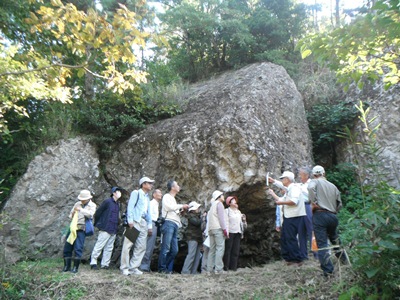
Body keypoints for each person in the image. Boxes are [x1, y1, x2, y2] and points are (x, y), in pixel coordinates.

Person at [308, 165, 348, 276]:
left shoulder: (314, 182)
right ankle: (344, 261)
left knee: (322, 244)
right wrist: (334, 210)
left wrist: (314, 202)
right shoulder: (333, 186)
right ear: (324, 173)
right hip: (333, 216)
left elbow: (310, 188)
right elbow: (339, 203)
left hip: (320, 214)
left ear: (314, 175)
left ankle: (328, 271)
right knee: (335, 240)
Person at [268, 171, 306, 266]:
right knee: (285, 237)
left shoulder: (294, 188)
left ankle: (296, 259)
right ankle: (288, 258)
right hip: (289, 216)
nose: (282, 180)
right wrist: (273, 182)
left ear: (287, 179)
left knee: (291, 237)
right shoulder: (290, 188)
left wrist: (281, 203)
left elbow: (294, 201)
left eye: (283, 178)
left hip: (294, 216)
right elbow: (282, 188)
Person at [120, 177, 154, 276]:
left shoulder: (147, 197)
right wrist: (130, 220)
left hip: (143, 222)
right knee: (128, 245)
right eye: (149, 183)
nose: (151, 185)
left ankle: (133, 267)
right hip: (135, 220)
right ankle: (124, 267)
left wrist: (150, 225)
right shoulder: (136, 193)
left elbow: (148, 213)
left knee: (141, 246)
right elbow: (130, 206)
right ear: (143, 184)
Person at [158, 180, 189, 273]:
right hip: (168, 223)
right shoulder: (167, 196)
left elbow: (174, 211)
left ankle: (164, 267)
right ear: (172, 187)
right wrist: (181, 205)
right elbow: (168, 207)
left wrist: (181, 212)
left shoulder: (174, 199)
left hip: (175, 224)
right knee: (166, 248)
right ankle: (162, 269)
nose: (179, 186)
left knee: (174, 250)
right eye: (177, 185)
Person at [62, 189, 96, 273]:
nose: (82, 200)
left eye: (83, 199)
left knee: (78, 248)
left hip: (82, 229)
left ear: (88, 198)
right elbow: (70, 216)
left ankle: (75, 268)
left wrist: (81, 210)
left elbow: (90, 215)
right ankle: (67, 267)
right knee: (67, 247)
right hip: (73, 228)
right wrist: (73, 212)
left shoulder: (92, 205)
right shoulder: (77, 204)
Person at [90, 187, 122, 270]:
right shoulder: (107, 202)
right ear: (114, 193)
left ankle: (105, 264)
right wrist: (99, 223)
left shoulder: (118, 204)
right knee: (100, 245)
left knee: (109, 247)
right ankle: (93, 262)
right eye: (118, 191)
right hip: (105, 227)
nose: (119, 193)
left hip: (114, 228)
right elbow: (98, 212)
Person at [140, 189, 163, 272]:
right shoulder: (152, 203)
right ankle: (144, 266)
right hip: (151, 223)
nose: (161, 194)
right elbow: (148, 215)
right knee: (148, 245)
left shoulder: (156, 204)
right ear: (154, 195)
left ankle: (146, 265)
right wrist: (150, 226)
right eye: (159, 192)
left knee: (150, 245)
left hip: (154, 224)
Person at [207, 190, 228, 274]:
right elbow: (221, 218)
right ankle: (218, 269)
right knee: (220, 248)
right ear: (219, 197)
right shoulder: (219, 204)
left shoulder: (212, 205)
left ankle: (209, 270)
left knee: (212, 250)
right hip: (218, 228)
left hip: (211, 229)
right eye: (222, 195)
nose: (223, 196)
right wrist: (224, 229)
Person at [223, 196, 247, 271]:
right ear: (229, 203)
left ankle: (234, 267)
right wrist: (226, 232)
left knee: (235, 250)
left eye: (235, 200)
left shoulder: (238, 211)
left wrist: (243, 220)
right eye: (232, 200)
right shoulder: (227, 211)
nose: (235, 201)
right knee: (228, 250)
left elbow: (241, 223)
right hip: (230, 232)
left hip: (238, 232)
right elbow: (225, 222)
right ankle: (226, 267)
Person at [181, 201, 202, 274]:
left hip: (198, 237)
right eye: (197, 208)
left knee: (197, 255)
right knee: (191, 254)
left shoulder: (196, 216)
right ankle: (185, 271)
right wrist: (202, 217)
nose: (198, 209)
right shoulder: (190, 215)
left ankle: (193, 271)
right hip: (192, 237)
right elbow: (197, 222)